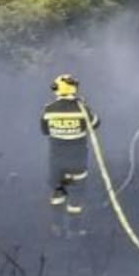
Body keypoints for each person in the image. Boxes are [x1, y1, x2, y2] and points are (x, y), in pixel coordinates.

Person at [40, 74, 100, 235]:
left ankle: (56, 227)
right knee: (76, 196)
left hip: (56, 161)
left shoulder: (49, 109)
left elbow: (45, 131)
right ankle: (74, 230)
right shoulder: (82, 109)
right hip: (77, 161)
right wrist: (84, 107)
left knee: (58, 192)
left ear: (57, 90)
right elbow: (95, 124)